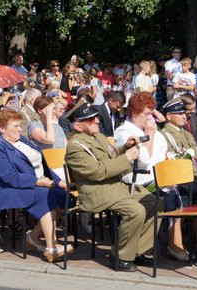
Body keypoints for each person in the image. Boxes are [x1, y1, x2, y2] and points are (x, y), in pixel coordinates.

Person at [65, 101, 159, 272]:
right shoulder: (75, 147)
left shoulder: (98, 136)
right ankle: (120, 257)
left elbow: (113, 155)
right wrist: (127, 158)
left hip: (115, 185)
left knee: (155, 202)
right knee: (135, 211)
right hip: (97, 191)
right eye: (90, 119)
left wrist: (126, 148)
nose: (96, 121)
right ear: (78, 126)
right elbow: (97, 172)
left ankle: (136, 251)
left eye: (96, 117)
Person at [0, 109, 70, 262]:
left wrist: (58, 181)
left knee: (63, 195)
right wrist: (37, 182)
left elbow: (42, 166)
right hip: (7, 188)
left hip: (35, 182)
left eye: (19, 125)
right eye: (15, 126)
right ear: (2, 129)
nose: (19, 128)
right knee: (45, 195)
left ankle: (32, 237)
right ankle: (52, 246)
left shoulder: (21, 139)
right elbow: (8, 176)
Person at [158, 98, 197, 261]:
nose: (185, 116)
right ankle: (174, 245)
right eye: (180, 113)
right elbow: (170, 158)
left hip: (194, 177)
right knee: (178, 203)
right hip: (176, 181)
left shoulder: (186, 133)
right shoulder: (165, 135)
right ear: (169, 115)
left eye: (185, 113)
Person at [113, 92, 167, 187]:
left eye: (151, 114)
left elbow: (164, 149)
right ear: (134, 113)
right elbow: (143, 160)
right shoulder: (123, 131)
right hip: (140, 183)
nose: (150, 118)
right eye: (147, 114)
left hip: (163, 178)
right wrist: (149, 134)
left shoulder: (151, 130)